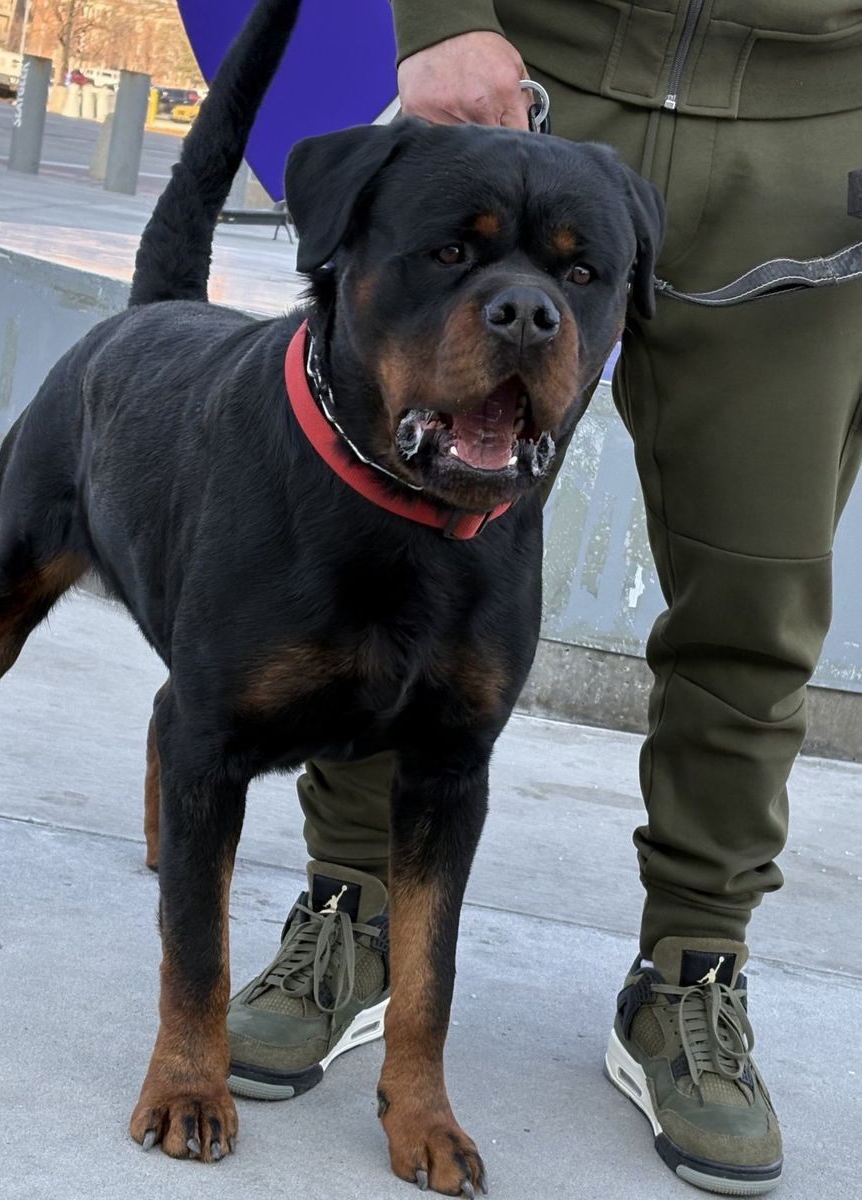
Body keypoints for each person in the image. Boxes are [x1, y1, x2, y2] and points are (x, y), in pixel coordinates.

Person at [225, 3, 862, 1192]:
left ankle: (690, 971)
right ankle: (351, 912)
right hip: (531, 72)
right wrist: (443, 14)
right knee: (375, 539)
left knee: (756, 598)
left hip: (809, 129)